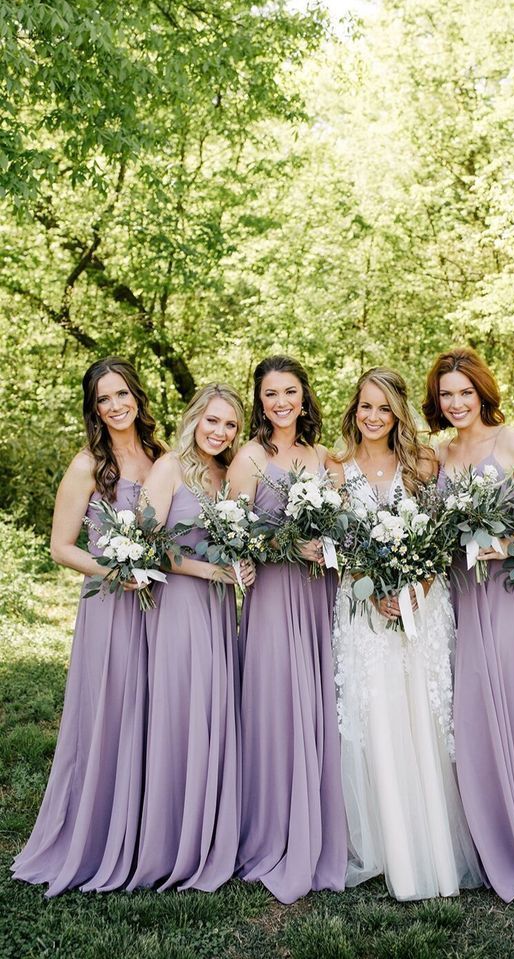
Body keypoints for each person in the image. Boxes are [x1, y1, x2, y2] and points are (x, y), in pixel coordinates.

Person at [327, 367, 481, 901]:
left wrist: (416, 588)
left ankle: (432, 844)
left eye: (384, 408)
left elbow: (438, 538)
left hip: (423, 605)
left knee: (422, 716)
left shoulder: (423, 463)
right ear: (354, 410)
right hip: (364, 608)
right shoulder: (337, 468)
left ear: (399, 414)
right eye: (365, 407)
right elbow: (339, 546)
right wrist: (374, 592)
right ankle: (384, 846)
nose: (373, 417)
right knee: (376, 714)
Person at [12, 357, 165, 895]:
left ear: (138, 398)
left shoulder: (160, 455)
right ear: (94, 410)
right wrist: (116, 571)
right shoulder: (87, 464)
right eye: (104, 399)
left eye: (122, 394)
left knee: (154, 709)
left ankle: (152, 829)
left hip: (162, 605)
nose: (116, 405)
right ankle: (103, 827)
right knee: (114, 707)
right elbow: (60, 547)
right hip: (112, 602)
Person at [423, 347, 514, 901]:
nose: (457, 403)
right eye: (447, 395)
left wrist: (500, 545)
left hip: (509, 598)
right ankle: (485, 840)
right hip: (461, 600)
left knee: (512, 708)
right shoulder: (438, 454)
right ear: (436, 401)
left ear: (484, 393)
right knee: (472, 716)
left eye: (466, 393)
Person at [228, 355, 347, 904]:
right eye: (270, 393)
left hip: (320, 595)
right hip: (275, 596)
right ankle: (275, 825)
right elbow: (234, 536)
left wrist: (332, 545)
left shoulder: (324, 457)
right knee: (278, 702)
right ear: (260, 401)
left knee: (321, 703)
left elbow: (349, 522)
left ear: (305, 397)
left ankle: (323, 825)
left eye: (290, 391)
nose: (281, 402)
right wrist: (288, 545)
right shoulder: (250, 456)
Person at [127, 382, 251, 892]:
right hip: (180, 605)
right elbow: (145, 547)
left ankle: (215, 829)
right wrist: (209, 573)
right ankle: (175, 836)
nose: (220, 432)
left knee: (216, 708)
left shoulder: (229, 473)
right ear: (194, 418)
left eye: (230, 425)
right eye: (213, 421)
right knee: (185, 711)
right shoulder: (169, 468)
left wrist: (242, 565)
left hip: (222, 610)